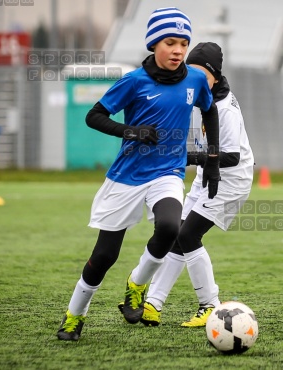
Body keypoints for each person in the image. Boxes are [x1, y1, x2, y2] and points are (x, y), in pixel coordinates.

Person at [56, 7, 221, 341]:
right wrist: (132, 131)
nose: (178, 50)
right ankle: (74, 316)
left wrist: (213, 162)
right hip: (126, 177)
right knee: (103, 256)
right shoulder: (133, 81)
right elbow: (95, 116)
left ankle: (137, 285)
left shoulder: (194, 80)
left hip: (168, 172)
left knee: (170, 227)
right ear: (153, 44)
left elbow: (210, 110)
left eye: (184, 43)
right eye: (170, 42)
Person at [138, 42, 255, 327]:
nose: (198, 78)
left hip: (230, 180)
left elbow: (230, 156)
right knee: (177, 236)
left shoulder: (224, 108)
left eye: (205, 73)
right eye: (194, 71)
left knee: (189, 236)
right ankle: (153, 303)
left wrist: (186, 156)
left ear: (215, 75)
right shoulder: (194, 95)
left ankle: (210, 306)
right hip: (205, 177)